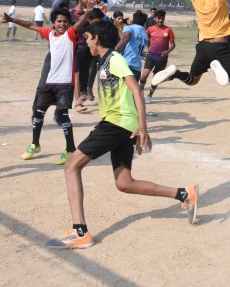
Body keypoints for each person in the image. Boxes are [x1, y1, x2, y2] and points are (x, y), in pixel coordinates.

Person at [45, 20, 198, 249]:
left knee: (71, 165)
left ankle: (80, 232)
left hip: (117, 124)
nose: (86, 41)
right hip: (119, 125)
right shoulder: (104, 61)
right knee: (125, 183)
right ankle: (185, 194)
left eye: (88, 38)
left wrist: (143, 127)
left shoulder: (115, 60)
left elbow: (136, 88)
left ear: (96, 38)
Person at [4, 8, 89, 165]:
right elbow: (31, 26)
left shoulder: (70, 35)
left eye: (65, 21)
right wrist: (13, 20)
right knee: (38, 113)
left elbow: (79, 24)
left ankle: (70, 149)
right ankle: (35, 145)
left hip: (64, 84)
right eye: (59, 21)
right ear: (53, 23)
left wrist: (88, 11)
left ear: (69, 23)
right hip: (49, 82)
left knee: (62, 116)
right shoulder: (49, 34)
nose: (62, 24)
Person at [140, 10, 175, 104]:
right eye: (159, 18)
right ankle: (140, 92)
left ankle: (150, 95)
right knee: (144, 75)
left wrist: (167, 52)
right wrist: (147, 49)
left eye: (162, 19)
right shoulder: (150, 29)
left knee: (156, 78)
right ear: (155, 18)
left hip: (162, 59)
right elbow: (145, 40)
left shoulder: (168, 30)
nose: (160, 20)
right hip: (151, 56)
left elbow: (173, 45)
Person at [115, 11, 149, 81]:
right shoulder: (145, 34)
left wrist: (114, 50)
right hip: (137, 68)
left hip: (127, 65)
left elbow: (125, 38)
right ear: (144, 23)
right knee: (132, 91)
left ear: (133, 20)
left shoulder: (130, 28)